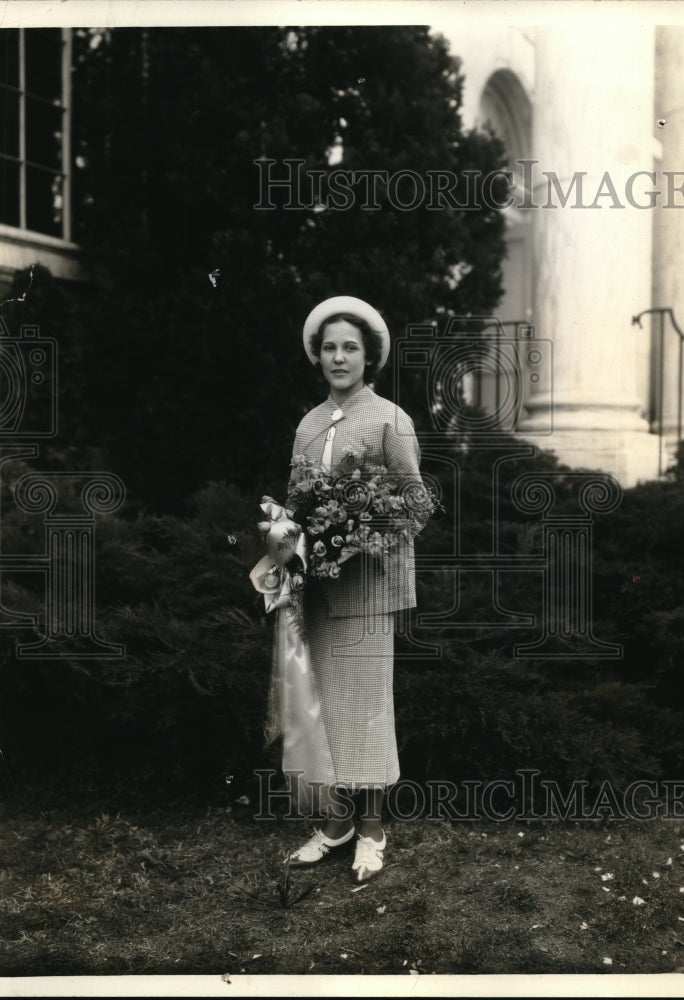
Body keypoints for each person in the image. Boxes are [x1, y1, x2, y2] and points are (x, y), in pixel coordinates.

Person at [284, 295, 425, 882]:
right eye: (330, 348)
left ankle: (372, 830)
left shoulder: (391, 419)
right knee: (325, 711)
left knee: (365, 712)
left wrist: (361, 528)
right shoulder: (309, 424)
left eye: (351, 348)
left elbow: (416, 501)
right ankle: (338, 825)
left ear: (369, 359)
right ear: (317, 357)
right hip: (319, 591)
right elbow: (294, 504)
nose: (339, 357)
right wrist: (286, 545)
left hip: (369, 590)